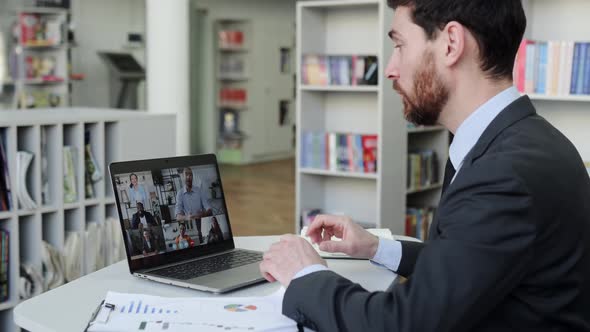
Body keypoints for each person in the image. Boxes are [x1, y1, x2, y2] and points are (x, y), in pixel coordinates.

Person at [259, 1, 590, 331]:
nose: (390, 68)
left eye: (400, 45)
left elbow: (402, 324)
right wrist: (376, 248)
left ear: (451, 44)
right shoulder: (526, 141)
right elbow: (468, 267)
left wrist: (305, 274)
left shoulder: (502, 173)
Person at [175, 167, 212, 244]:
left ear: (192, 177)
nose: (189, 177)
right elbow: (177, 216)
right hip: (189, 223)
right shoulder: (180, 194)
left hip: (202, 222)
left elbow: (209, 209)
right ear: (183, 177)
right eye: (186, 174)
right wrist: (186, 217)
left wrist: (203, 214)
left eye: (190, 175)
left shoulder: (199, 190)